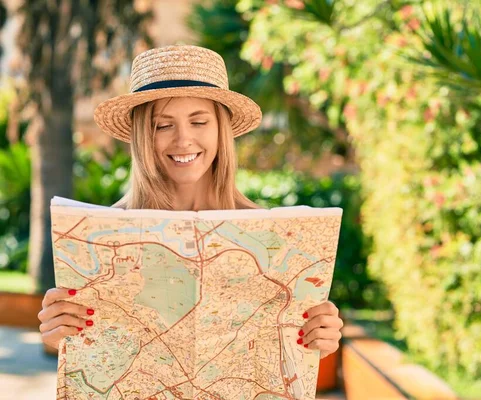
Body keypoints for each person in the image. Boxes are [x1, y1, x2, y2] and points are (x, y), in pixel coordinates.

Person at [37, 45, 343, 361]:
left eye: (199, 122)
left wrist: (318, 337)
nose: (183, 139)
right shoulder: (99, 236)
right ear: (143, 135)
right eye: (162, 125)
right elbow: (93, 356)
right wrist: (59, 332)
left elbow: (288, 354)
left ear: (221, 129)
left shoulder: (271, 236)